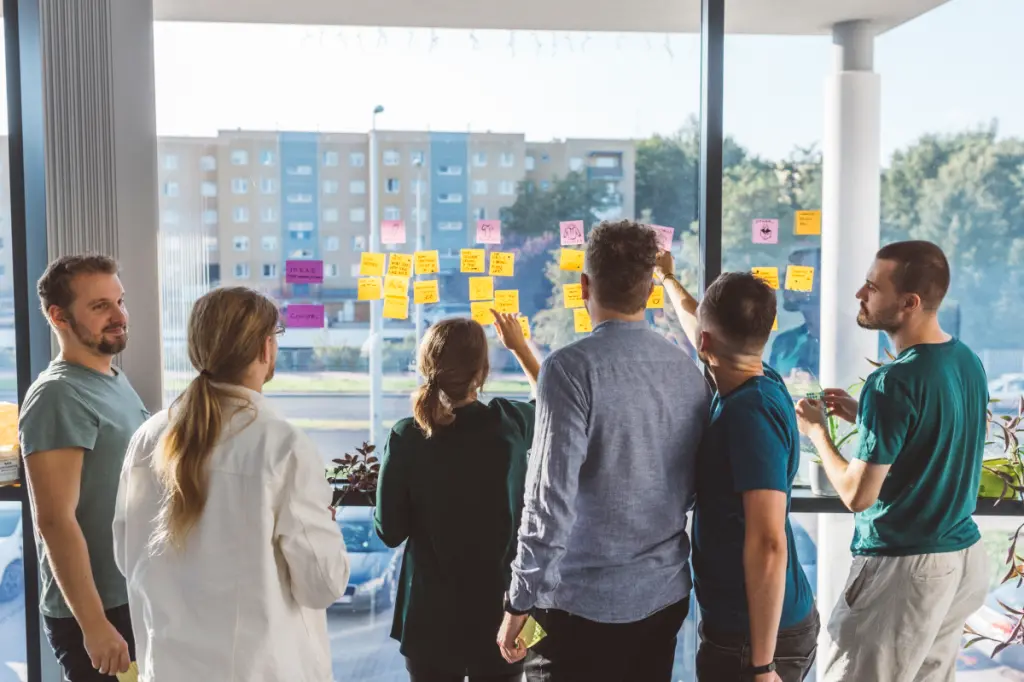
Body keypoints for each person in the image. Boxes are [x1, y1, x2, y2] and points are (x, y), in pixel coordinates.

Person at [497, 221, 711, 682]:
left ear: (583, 286)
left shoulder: (569, 368)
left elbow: (548, 501)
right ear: (651, 289)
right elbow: (692, 488)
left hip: (575, 607)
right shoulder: (687, 371)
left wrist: (519, 600)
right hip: (662, 600)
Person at [113, 287, 350, 681]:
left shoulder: (149, 437)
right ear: (264, 348)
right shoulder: (282, 445)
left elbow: (127, 557)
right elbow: (322, 586)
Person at [794, 241, 989, 682]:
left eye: (871, 287)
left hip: (906, 567)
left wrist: (817, 434)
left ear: (909, 303)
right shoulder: (965, 360)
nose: (859, 296)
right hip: (960, 558)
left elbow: (857, 495)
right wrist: (863, 410)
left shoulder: (892, 382)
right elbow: (931, 425)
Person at [655, 252, 818, 682]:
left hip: (756, 639)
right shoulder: (761, 378)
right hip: (756, 626)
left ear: (707, 344)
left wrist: (762, 666)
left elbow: (768, 541)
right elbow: (700, 327)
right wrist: (668, 278)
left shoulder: (749, 415)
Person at [374, 312, 540, 682]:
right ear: (481, 372)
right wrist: (520, 348)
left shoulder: (407, 437)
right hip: (505, 611)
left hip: (429, 619)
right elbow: (550, 400)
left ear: (425, 367)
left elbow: (390, 531)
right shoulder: (507, 424)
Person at [19, 254, 148, 681]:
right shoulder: (58, 396)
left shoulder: (112, 379)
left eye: (120, 301)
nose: (119, 316)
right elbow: (55, 521)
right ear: (59, 316)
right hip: (98, 612)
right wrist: (94, 627)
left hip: (129, 595)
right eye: (100, 306)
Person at [769, 247, 821, 380]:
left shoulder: (862, 341)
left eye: (797, 272)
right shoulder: (784, 344)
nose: (784, 280)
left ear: (820, 281)